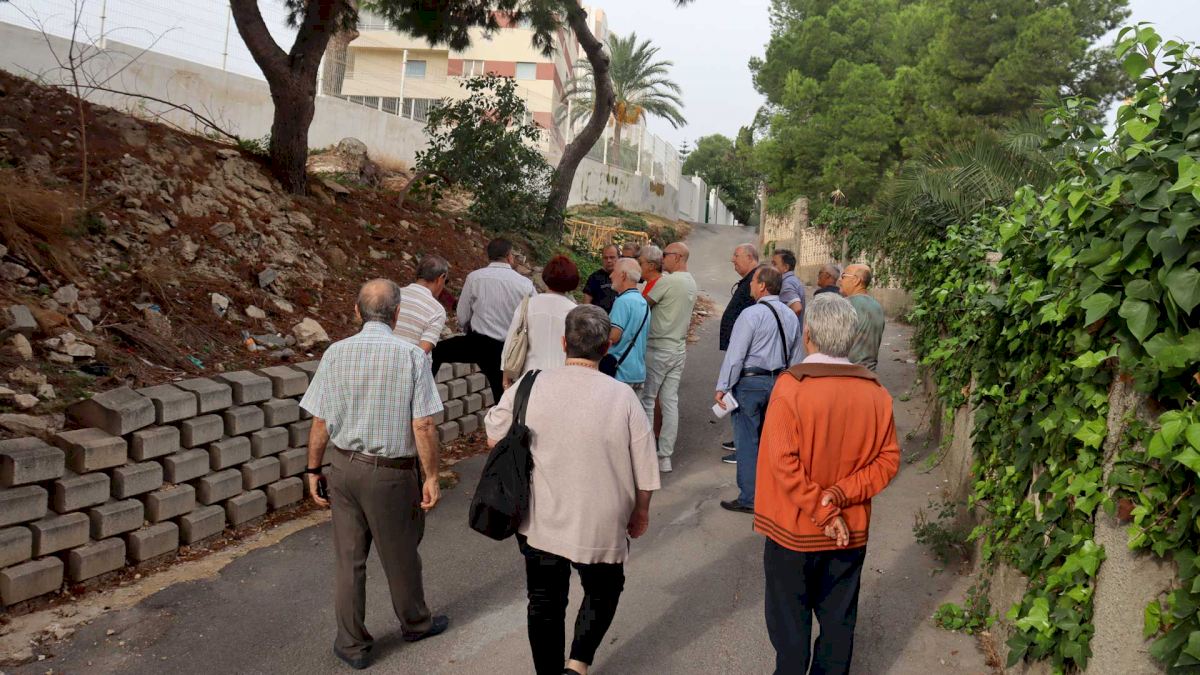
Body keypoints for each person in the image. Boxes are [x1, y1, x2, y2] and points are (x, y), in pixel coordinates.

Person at [485, 305, 660, 675]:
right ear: (605, 349)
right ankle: (578, 663)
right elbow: (646, 468)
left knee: (544, 600)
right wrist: (641, 511)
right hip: (601, 521)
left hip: (540, 518)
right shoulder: (622, 397)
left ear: (564, 343)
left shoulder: (530, 384)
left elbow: (494, 435)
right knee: (604, 589)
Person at [300, 279, 450, 671]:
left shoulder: (335, 353)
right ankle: (415, 623)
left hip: (343, 467)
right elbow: (423, 425)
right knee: (400, 555)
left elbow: (320, 420)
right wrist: (431, 475)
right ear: (397, 313)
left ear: (357, 311)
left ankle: (352, 645)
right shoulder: (412, 357)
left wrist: (313, 468)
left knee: (349, 560)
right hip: (391, 474)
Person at [755, 293, 900, 674]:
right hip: (849, 532)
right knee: (838, 624)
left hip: (793, 530)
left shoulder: (792, 387)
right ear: (852, 338)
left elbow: (783, 462)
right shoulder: (876, 393)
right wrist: (838, 496)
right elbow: (887, 461)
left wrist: (822, 507)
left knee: (790, 629)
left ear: (808, 335)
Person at [715, 265, 802, 514]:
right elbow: (796, 356)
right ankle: (773, 493)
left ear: (762, 285)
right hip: (780, 382)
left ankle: (750, 498)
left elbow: (735, 356)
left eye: (753, 281)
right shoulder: (790, 316)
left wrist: (723, 386)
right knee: (772, 441)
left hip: (750, 384)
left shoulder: (750, 314)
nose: (750, 285)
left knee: (747, 442)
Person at [432, 238, 534, 400]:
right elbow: (532, 317)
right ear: (509, 256)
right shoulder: (525, 284)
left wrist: (468, 329)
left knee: (436, 352)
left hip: (477, 344)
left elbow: (462, 316)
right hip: (506, 349)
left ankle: (423, 397)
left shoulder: (474, 278)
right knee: (502, 397)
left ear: (489, 256)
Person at [641, 242, 697, 473]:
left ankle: (645, 455)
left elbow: (643, 304)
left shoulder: (668, 281)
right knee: (670, 401)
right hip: (678, 348)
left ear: (678, 257)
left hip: (658, 347)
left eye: (665, 254)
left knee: (648, 398)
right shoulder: (691, 282)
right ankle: (665, 456)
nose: (662, 259)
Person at [501, 255, 579, 388]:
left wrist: (506, 377)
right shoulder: (576, 312)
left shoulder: (527, 305)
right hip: (562, 380)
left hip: (528, 379)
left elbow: (512, 341)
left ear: (546, 276)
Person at [717, 243, 760, 460]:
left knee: (743, 400)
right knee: (739, 398)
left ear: (750, 257)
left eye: (736, 255)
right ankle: (741, 441)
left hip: (745, 354)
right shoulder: (748, 280)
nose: (732, 260)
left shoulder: (755, 280)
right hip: (739, 349)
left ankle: (745, 449)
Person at [608, 258, 651, 390]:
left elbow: (614, 336)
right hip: (638, 372)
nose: (610, 275)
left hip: (620, 372)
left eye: (614, 271)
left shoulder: (622, 301)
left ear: (623, 275)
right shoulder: (643, 302)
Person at [393, 255, 449, 354]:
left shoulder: (392, 295)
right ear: (441, 278)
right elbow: (421, 353)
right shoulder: (437, 310)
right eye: (446, 281)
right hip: (409, 362)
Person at [839, 263, 886, 371]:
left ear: (856, 280)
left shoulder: (844, 306)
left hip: (848, 373)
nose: (840, 280)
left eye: (843, 276)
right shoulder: (877, 307)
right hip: (869, 373)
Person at [582, 244, 619, 313]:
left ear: (618, 258)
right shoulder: (594, 278)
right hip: (599, 318)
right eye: (605, 258)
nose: (609, 260)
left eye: (612, 257)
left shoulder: (623, 277)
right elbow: (586, 304)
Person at [771, 249, 806, 319]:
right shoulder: (792, 280)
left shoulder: (787, 283)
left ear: (786, 267)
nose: (771, 267)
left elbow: (797, 308)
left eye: (774, 264)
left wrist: (783, 323)